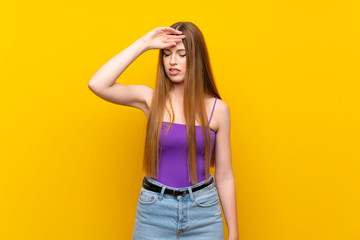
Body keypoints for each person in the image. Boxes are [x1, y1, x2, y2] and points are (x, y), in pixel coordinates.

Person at [88, 21, 239, 240]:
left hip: (203, 212)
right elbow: (97, 84)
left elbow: (225, 176)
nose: (172, 61)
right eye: (166, 54)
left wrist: (233, 231)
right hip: (154, 212)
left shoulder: (218, 110)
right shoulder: (150, 99)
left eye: (181, 54)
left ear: (196, 59)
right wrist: (144, 44)